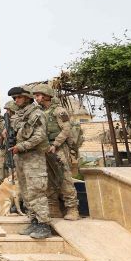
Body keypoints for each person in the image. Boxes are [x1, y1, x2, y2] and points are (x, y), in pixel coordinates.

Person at [8, 86, 53, 239]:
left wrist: (21, 146)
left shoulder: (36, 113)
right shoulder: (18, 116)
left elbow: (39, 136)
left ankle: (44, 224)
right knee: (26, 191)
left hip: (34, 157)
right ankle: (33, 220)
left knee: (36, 190)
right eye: (14, 98)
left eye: (19, 97)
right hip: (21, 157)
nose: (16, 100)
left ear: (27, 97)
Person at [33, 84, 80, 221]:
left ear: (46, 95)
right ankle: (54, 208)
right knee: (48, 179)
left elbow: (66, 129)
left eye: (38, 95)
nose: (36, 98)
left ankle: (72, 209)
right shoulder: (40, 112)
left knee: (64, 178)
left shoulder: (59, 111)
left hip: (58, 148)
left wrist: (55, 144)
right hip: (45, 149)